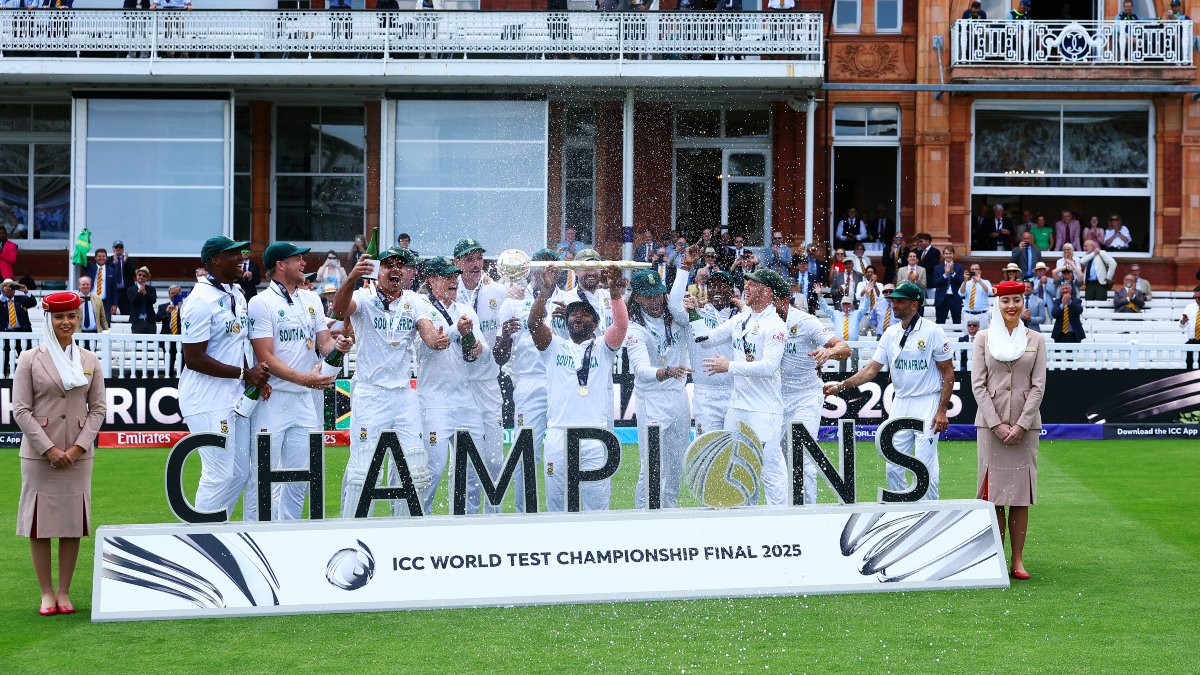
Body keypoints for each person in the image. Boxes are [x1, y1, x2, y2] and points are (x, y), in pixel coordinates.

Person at [13, 292, 105, 616]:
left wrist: (79, 447)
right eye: (58, 317)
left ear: (79, 318)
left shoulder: (90, 360)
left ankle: (64, 592)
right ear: (48, 319)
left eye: (71, 316)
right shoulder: (29, 359)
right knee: (38, 525)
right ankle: (46, 593)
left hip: (78, 456)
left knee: (72, 523)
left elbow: (99, 409)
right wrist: (50, 449)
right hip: (40, 456)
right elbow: (21, 410)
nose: (65, 323)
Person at [331, 246, 438, 519]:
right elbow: (338, 308)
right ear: (378, 271)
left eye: (400, 265)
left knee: (415, 468)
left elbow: (429, 335)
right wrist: (352, 276)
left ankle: (404, 532)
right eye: (388, 265)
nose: (395, 269)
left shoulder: (413, 301)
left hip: (403, 394)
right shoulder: (363, 298)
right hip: (370, 392)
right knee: (362, 472)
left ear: (406, 273)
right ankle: (350, 532)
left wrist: (437, 340)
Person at [823, 282, 954, 501]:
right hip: (901, 402)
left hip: (927, 401)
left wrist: (941, 410)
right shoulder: (890, 334)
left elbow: (948, 374)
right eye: (892, 300)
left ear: (915, 304)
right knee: (892, 466)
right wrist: (839, 387)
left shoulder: (933, 332)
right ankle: (903, 507)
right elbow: (870, 371)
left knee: (924, 464)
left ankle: (930, 511)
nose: (894, 304)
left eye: (899, 301)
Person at [248, 242, 346, 521]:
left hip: (303, 402)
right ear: (280, 265)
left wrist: (340, 346)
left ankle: (288, 534)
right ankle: (255, 536)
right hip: (273, 399)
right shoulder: (260, 303)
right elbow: (265, 356)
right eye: (298, 259)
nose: (304, 263)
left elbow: (324, 344)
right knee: (261, 476)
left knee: (300, 477)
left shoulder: (311, 299)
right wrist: (304, 379)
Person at [179, 237, 271, 521]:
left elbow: (238, 346)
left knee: (239, 472)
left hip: (232, 396)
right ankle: (199, 541)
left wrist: (251, 380)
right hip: (205, 399)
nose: (241, 257)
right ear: (215, 260)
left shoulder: (237, 293)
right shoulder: (198, 301)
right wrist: (245, 373)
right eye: (233, 254)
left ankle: (217, 531)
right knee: (219, 474)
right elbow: (193, 358)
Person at [529, 262, 628, 512]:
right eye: (574, 313)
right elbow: (533, 324)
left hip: (595, 436)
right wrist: (546, 291)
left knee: (597, 509)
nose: (578, 317)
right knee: (557, 507)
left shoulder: (603, 348)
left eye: (585, 314)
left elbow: (621, 326)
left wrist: (615, 292)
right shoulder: (555, 346)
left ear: (595, 324)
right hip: (559, 435)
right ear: (566, 320)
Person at [971, 280, 1046, 581]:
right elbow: (978, 384)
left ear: (1023, 303)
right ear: (997, 304)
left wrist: (1021, 424)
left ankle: (1017, 560)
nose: (1011, 306)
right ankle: (994, 558)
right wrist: (997, 423)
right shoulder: (984, 339)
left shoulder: (1036, 339)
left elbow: (1038, 386)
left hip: (1025, 428)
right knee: (993, 495)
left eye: (1016, 300)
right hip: (991, 428)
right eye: (1005, 301)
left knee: (1019, 495)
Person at [694, 269, 789, 505]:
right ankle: (744, 518)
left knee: (769, 468)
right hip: (737, 407)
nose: (747, 286)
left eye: (754, 284)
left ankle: (783, 521)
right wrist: (692, 314)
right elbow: (706, 340)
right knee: (735, 466)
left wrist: (730, 366)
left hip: (764, 410)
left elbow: (768, 367)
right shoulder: (742, 318)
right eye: (747, 282)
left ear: (767, 291)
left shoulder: (775, 325)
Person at [413, 257, 489, 516]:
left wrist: (474, 343)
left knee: (474, 470)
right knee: (433, 468)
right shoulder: (421, 306)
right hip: (434, 400)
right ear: (432, 280)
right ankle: (420, 522)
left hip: (465, 399)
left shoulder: (465, 309)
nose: (454, 280)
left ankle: (469, 523)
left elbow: (477, 352)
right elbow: (436, 341)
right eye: (447, 276)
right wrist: (458, 330)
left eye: (455, 275)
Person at [494, 248, 561, 513]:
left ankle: (563, 512)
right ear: (531, 271)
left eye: (552, 269)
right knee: (526, 451)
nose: (547, 274)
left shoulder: (566, 300)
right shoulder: (512, 301)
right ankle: (525, 513)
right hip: (529, 380)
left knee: (562, 449)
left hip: (560, 379)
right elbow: (501, 347)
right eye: (542, 269)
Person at [774, 276, 849, 505]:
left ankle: (807, 511)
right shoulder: (761, 321)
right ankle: (779, 510)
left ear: (784, 299)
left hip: (805, 396)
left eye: (772, 297)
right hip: (775, 397)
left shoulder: (806, 322)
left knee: (803, 455)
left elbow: (845, 348)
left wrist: (829, 352)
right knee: (774, 458)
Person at [625, 268, 692, 510]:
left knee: (676, 465)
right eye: (648, 296)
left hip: (678, 396)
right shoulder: (634, 328)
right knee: (652, 466)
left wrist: (684, 268)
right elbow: (641, 369)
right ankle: (643, 516)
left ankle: (670, 514)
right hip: (650, 399)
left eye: (658, 295)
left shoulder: (676, 315)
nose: (655, 301)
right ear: (638, 297)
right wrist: (666, 372)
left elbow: (676, 301)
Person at [454, 238, 509, 515]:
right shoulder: (448, 293)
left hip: (487, 382)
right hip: (458, 386)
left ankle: (494, 518)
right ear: (457, 263)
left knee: (496, 460)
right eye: (469, 258)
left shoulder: (497, 291)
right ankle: (466, 520)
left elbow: (504, 341)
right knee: (466, 464)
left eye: (479, 257)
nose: (476, 263)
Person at [675, 262, 739, 437]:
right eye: (713, 285)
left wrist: (741, 305)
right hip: (706, 393)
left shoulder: (741, 318)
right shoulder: (695, 312)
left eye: (723, 285)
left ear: (733, 292)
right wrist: (684, 267)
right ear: (707, 290)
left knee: (736, 447)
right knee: (708, 449)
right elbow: (674, 305)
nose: (717, 289)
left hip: (736, 390)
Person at [931, 246, 965, 325]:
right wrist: (945, 274)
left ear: (953, 255)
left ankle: (958, 337)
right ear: (943, 255)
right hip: (942, 299)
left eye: (950, 253)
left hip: (955, 298)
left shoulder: (959, 267)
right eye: (946, 253)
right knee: (940, 323)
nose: (948, 255)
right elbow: (935, 283)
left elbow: (961, 282)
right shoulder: (937, 267)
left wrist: (952, 272)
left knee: (957, 323)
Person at [84, 248, 116, 319]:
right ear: (95, 258)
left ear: (106, 258)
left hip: (106, 303)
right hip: (91, 300)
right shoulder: (90, 267)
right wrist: (82, 247)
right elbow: (83, 258)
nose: (101, 258)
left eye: (103, 256)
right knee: (91, 323)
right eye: (99, 256)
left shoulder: (112, 271)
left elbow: (114, 289)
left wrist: (114, 304)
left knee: (105, 325)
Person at [959, 263, 991, 331]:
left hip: (982, 314)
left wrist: (979, 281)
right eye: (972, 269)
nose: (974, 271)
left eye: (976, 269)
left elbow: (989, 292)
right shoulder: (966, 283)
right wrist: (965, 280)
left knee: (983, 337)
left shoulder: (986, 282)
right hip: (968, 314)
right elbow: (961, 293)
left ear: (980, 271)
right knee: (967, 336)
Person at [127, 266, 157, 334]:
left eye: (144, 276)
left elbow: (153, 300)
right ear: (136, 276)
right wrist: (138, 292)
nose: (141, 277)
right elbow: (132, 301)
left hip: (149, 321)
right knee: (137, 343)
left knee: (151, 343)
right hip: (137, 321)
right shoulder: (131, 289)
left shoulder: (151, 289)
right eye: (139, 275)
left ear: (147, 278)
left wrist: (145, 293)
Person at [110, 240, 134, 316]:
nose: (118, 249)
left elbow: (133, 272)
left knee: (127, 313)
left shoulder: (129, 260)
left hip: (125, 292)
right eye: (116, 247)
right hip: (113, 291)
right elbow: (107, 272)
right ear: (113, 249)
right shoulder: (109, 260)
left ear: (123, 249)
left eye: (120, 247)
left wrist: (125, 263)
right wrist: (114, 262)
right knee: (110, 314)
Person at [1180, 285, 1200, 368]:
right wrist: (1183, 321)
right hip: (1192, 341)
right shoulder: (1189, 307)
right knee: (1189, 366)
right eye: (1195, 297)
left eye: (1199, 298)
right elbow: (1181, 325)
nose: (1197, 300)